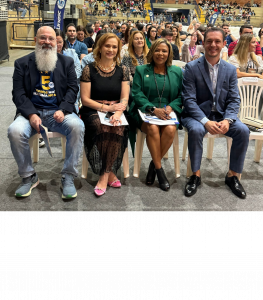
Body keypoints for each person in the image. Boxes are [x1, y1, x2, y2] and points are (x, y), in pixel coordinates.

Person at [8, 26, 85, 199]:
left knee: (77, 126)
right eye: (43, 38)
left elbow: (73, 89)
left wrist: (63, 110)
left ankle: (68, 176)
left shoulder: (66, 62)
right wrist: (31, 114)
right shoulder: (21, 63)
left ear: (56, 41)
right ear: (35, 40)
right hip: (30, 114)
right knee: (14, 131)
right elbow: (18, 94)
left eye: (51, 39)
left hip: (58, 113)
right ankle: (29, 176)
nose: (47, 42)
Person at [181, 28, 250, 199]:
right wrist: (205, 121)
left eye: (217, 41)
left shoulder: (229, 69)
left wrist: (228, 119)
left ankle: (232, 176)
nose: (213, 45)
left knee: (243, 131)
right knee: (196, 130)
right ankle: (195, 175)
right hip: (196, 115)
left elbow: (234, 99)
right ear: (203, 43)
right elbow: (189, 100)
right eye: (209, 41)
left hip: (221, 116)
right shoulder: (191, 68)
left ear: (223, 44)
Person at [80, 33, 130, 197]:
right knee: (100, 126)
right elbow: (85, 100)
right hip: (94, 109)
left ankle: (105, 172)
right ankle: (107, 174)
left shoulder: (123, 69)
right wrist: (105, 108)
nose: (110, 49)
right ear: (100, 47)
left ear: (118, 50)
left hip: (116, 109)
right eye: (107, 46)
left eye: (114, 47)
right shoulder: (89, 69)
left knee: (117, 127)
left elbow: (124, 97)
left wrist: (118, 112)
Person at [129, 39, 183, 191]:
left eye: (164, 51)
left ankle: (154, 164)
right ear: (152, 52)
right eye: (157, 50)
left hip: (168, 112)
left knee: (171, 129)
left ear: (169, 53)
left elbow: (181, 95)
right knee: (152, 128)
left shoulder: (177, 71)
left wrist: (171, 107)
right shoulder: (141, 70)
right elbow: (137, 94)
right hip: (144, 110)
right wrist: (152, 109)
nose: (161, 54)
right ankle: (160, 172)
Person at [56, 30, 82, 112]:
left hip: (70, 84)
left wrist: (66, 79)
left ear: (64, 41)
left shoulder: (71, 53)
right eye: (55, 42)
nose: (57, 45)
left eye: (60, 42)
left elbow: (78, 69)